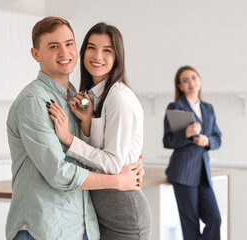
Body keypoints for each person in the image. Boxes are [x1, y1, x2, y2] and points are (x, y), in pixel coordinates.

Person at [6, 17, 144, 240]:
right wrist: (118, 179)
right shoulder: (33, 101)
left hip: (82, 225)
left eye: (69, 44)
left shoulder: (77, 99)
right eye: (54, 46)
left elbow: (92, 155)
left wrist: (129, 161)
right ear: (36, 54)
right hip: (44, 229)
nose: (65, 52)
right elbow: (58, 172)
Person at [46, 22, 152, 240]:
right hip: (102, 210)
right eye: (92, 48)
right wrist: (86, 124)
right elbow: (100, 153)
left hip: (124, 214)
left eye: (107, 50)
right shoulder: (92, 97)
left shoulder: (119, 98)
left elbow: (113, 164)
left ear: (117, 57)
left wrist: (68, 138)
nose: (97, 56)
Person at [163, 65, 222, 240]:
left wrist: (207, 141)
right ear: (180, 86)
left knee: (215, 219)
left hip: (203, 174)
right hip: (183, 172)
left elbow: (218, 138)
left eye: (194, 78)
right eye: (185, 80)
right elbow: (167, 141)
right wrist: (186, 135)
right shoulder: (176, 107)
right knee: (191, 226)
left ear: (200, 81)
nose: (191, 83)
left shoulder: (208, 108)